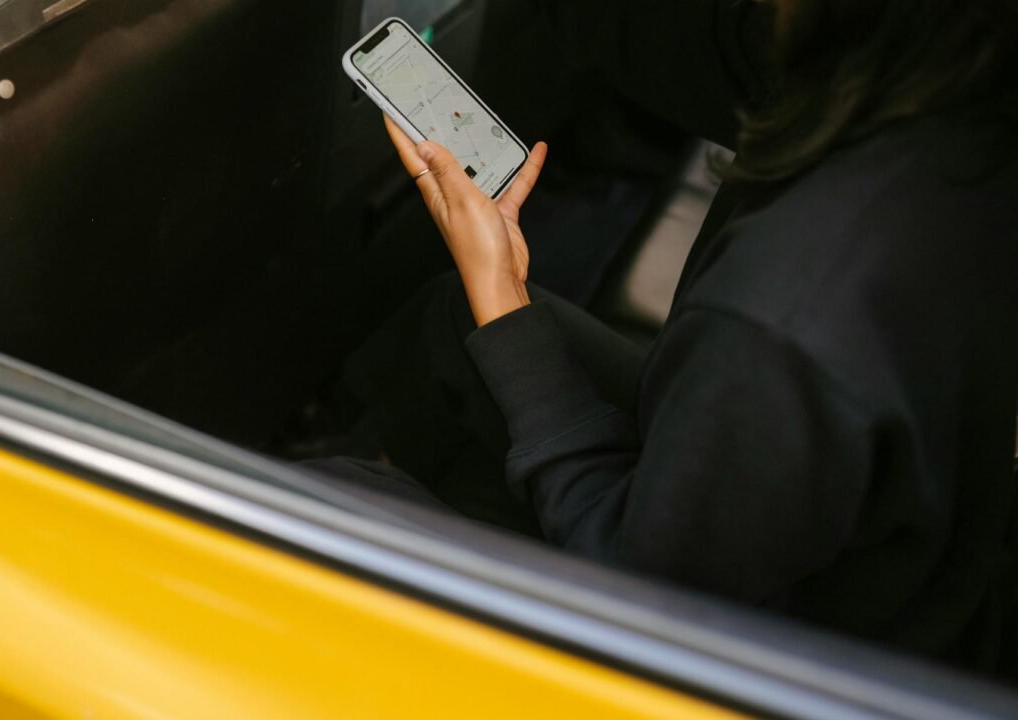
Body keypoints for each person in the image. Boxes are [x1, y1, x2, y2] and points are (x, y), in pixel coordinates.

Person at [317, 0, 1018, 676]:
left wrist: (500, 290)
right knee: (452, 323)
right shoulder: (953, 108)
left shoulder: (782, 324)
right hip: (888, 569)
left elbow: (638, 603)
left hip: (742, 657)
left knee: (329, 499)